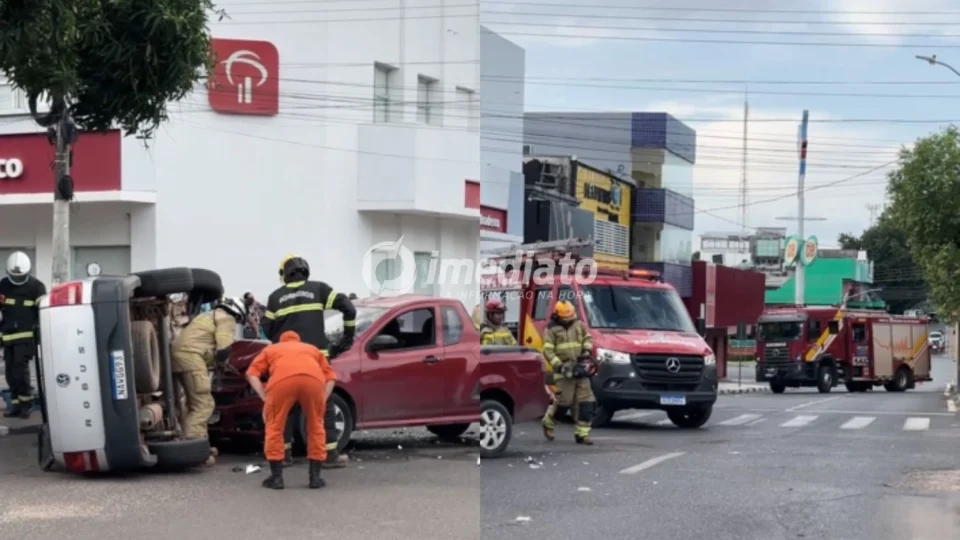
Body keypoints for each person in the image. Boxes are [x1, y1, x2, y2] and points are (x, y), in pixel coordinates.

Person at [263, 254, 356, 469]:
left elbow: (267, 329)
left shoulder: (275, 297)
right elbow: (349, 309)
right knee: (323, 405)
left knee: (283, 406)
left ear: (283, 274)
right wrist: (345, 340)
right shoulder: (320, 290)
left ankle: (283, 455)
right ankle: (329, 455)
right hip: (316, 359)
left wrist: (282, 342)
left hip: (284, 361)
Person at [246, 330, 336, 490]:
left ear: (281, 341)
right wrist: (322, 397)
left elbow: (251, 373)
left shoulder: (271, 349)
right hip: (313, 382)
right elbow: (331, 377)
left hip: (282, 383)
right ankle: (315, 478)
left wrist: (264, 395)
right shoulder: (312, 349)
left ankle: (277, 478)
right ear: (298, 340)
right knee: (316, 426)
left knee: (274, 428)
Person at [170, 296, 248, 465]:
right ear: (237, 313)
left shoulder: (209, 315)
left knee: (190, 404)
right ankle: (192, 448)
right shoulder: (227, 318)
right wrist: (222, 365)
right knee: (204, 404)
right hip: (191, 358)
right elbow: (223, 349)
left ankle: (201, 443)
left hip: (179, 357)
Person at [540, 300, 596, 445]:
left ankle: (582, 434)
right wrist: (559, 366)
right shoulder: (551, 329)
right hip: (564, 370)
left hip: (580, 367)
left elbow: (587, 338)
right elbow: (548, 350)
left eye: (571, 317)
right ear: (558, 316)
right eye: (566, 318)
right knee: (564, 402)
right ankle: (549, 422)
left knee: (586, 401)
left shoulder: (579, 324)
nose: (569, 320)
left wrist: (586, 351)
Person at [0, 252, 46, 419]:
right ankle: (16, 405)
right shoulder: (3, 285)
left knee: (20, 370)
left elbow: (42, 312)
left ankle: (26, 404)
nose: (17, 279)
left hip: (26, 336)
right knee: (11, 373)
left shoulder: (37, 287)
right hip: (7, 336)